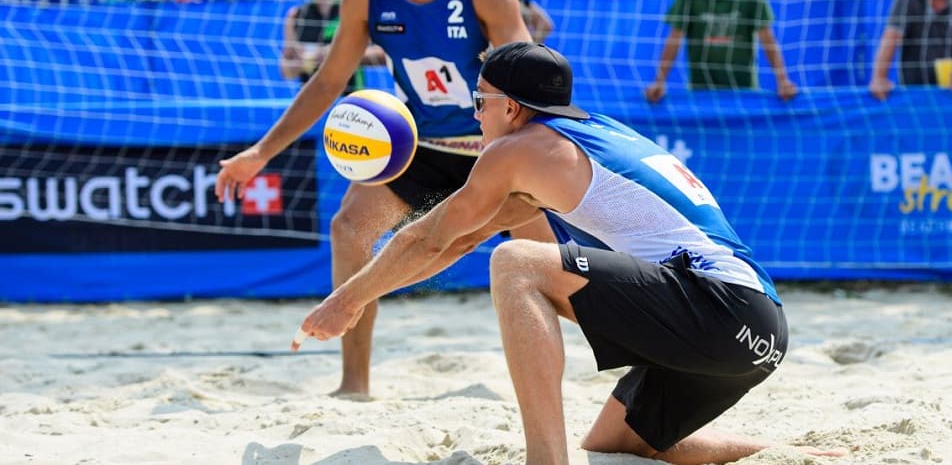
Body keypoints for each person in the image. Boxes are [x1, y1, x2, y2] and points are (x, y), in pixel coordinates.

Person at [293, 42, 847, 464]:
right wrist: (361, 295)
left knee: (515, 264)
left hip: (724, 309)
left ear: (512, 108)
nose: (474, 114)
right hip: (760, 336)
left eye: (480, 100)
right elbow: (457, 238)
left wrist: (346, 301)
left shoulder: (519, 150)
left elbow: (425, 236)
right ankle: (782, 454)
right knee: (616, 445)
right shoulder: (581, 137)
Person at [215, 0, 551, 397]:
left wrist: (522, 159)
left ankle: (616, 363)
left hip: (494, 147)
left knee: (540, 265)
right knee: (349, 228)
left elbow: (530, 81)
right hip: (422, 144)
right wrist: (259, 153)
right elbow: (328, 80)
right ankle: (354, 386)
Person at [645, 0, 799, 101]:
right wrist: (659, 81)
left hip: (743, 91)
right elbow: (674, 39)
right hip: (700, 91)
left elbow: (767, 39)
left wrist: (782, 80)